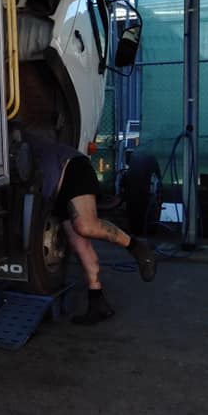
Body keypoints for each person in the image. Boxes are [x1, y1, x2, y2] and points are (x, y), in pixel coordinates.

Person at [24, 131, 156, 324]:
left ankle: (137, 246)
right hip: (56, 191)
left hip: (72, 169)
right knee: (80, 246)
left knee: (86, 225)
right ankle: (97, 303)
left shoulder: (19, 140)